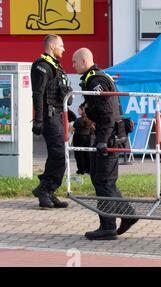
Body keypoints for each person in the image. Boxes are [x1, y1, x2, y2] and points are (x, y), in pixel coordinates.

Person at [72, 48, 138, 240]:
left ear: (84, 61)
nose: (72, 65)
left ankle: (111, 225)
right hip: (110, 136)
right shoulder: (96, 78)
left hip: (107, 138)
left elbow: (107, 114)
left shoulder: (96, 81)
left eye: (74, 61)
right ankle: (122, 217)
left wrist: (101, 141)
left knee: (103, 181)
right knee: (103, 180)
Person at [31, 34, 72, 208]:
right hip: (49, 117)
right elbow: (38, 94)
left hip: (58, 116)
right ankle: (44, 189)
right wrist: (38, 120)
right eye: (61, 46)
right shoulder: (42, 66)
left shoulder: (56, 66)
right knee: (59, 154)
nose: (64, 49)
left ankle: (49, 190)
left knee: (61, 154)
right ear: (53, 46)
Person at [72, 104, 94, 175]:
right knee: (87, 153)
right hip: (87, 137)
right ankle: (88, 169)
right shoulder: (90, 120)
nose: (78, 111)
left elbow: (72, 130)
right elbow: (93, 129)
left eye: (79, 109)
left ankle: (81, 170)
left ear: (82, 111)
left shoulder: (78, 120)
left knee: (79, 154)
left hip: (78, 137)